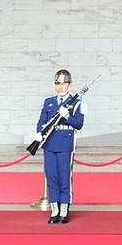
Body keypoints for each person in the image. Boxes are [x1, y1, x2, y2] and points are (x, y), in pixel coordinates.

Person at [36, 69, 85, 224]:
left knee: (64, 176)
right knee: (51, 176)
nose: (60, 87)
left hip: (65, 142)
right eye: (57, 83)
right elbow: (41, 120)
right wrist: (38, 133)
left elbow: (78, 124)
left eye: (63, 83)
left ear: (69, 84)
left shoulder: (76, 103)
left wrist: (67, 116)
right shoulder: (48, 102)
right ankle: (54, 209)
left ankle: (64, 209)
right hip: (49, 142)